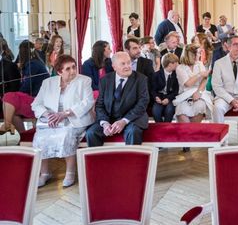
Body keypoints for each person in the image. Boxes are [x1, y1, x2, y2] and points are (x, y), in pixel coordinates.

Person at [31, 55, 93, 188]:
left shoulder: (84, 81)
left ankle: (70, 172)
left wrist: (65, 114)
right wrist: (48, 115)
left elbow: (88, 102)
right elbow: (36, 103)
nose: (73, 71)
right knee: (40, 137)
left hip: (75, 118)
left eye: (74, 67)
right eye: (68, 69)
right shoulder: (48, 82)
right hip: (52, 119)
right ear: (59, 72)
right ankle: (44, 173)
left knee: (66, 134)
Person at [85, 51, 150, 146]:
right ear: (114, 67)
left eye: (128, 62)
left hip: (131, 119)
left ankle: (132, 160)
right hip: (109, 118)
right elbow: (99, 105)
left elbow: (142, 104)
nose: (127, 66)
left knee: (133, 132)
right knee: (91, 133)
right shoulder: (105, 80)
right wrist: (105, 123)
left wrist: (124, 121)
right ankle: (98, 160)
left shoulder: (141, 79)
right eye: (123, 64)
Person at [1, 40, 49, 133]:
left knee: (8, 97)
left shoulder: (33, 65)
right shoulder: (34, 63)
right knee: (12, 111)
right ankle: (23, 136)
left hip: (39, 101)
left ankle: (7, 125)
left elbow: (25, 87)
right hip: (36, 98)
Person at [174, 44, 212, 129]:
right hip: (184, 95)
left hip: (199, 93)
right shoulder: (180, 68)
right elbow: (188, 84)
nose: (199, 55)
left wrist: (199, 92)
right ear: (192, 55)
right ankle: (187, 136)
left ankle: (194, 134)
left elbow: (204, 79)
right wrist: (199, 74)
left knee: (199, 107)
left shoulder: (199, 64)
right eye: (198, 53)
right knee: (182, 112)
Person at [150, 53, 179, 123]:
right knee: (156, 111)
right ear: (170, 64)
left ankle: (167, 127)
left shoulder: (176, 75)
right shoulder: (156, 75)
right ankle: (160, 127)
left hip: (170, 97)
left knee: (169, 110)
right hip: (159, 97)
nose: (178, 64)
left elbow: (176, 91)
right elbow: (152, 89)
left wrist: (168, 98)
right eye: (176, 63)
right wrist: (156, 97)